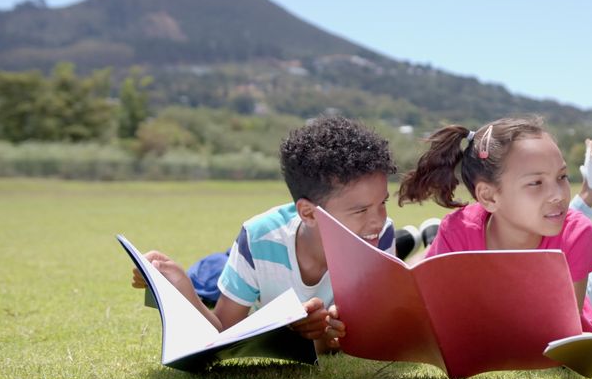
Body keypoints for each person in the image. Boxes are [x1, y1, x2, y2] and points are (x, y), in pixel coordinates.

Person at [130, 115, 398, 354]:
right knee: (208, 277)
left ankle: (411, 241)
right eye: (361, 210)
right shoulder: (258, 238)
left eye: (383, 203)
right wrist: (181, 287)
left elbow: (373, 329)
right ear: (309, 213)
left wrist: (327, 336)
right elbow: (223, 330)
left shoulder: (382, 237)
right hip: (249, 260)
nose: (378, 220)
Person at [398, 117, 592, 332]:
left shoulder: (577, 234)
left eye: (562, 176)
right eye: (536, 182)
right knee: (418, 270)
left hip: (591, 293)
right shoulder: (457, 232)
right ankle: (426, 242)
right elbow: (433, 310)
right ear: (489, 197)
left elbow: (562, 328)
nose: (558, 195)